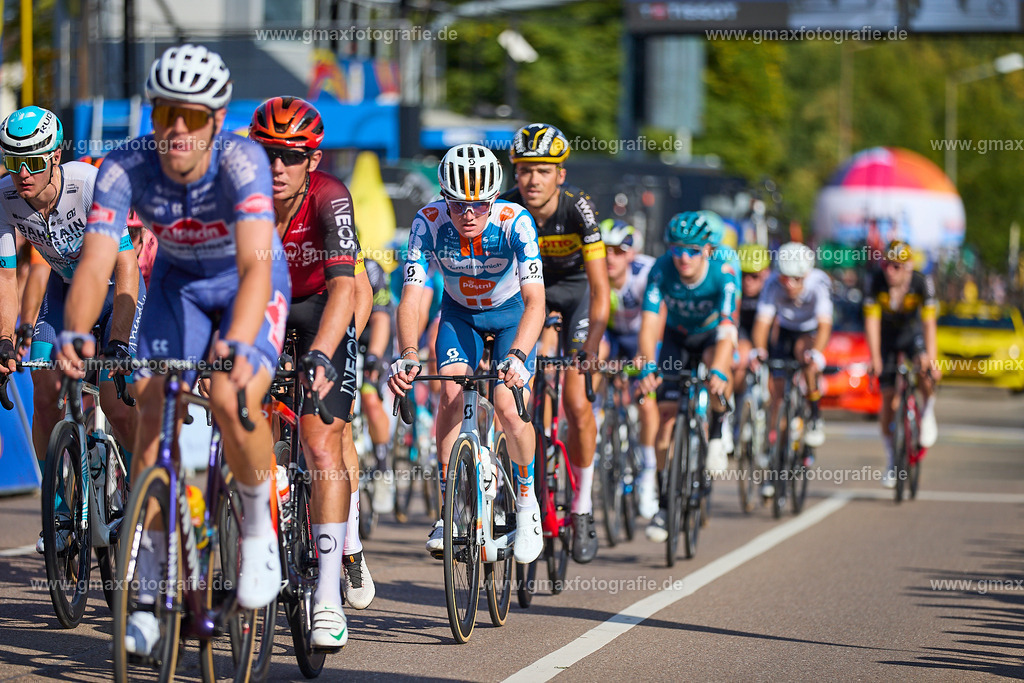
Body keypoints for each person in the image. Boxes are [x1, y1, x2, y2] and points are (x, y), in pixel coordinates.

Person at [56, 44, 289, 656]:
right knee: (153, 414)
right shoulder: (124, 166)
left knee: (235, 396)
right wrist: (77, 331)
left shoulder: (243, 162)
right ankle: (153, 588)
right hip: (178, 287)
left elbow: (255, 266)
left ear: (216, 119)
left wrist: (238, 341)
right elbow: (98, 258)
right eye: (165, 114)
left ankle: (260, 522)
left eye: (191, 116)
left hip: (247, 281)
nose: (177, 130)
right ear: (152, 117)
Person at [248, 96, 376, 644]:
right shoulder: (240, 197)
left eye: (290, 156)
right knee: (245, 418)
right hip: (266, 307)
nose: (277, 167)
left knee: (323, 440)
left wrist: (324, 352)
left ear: (312, 160)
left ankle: (327, 595)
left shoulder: (331, 197)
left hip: (326, 306)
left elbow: (348, 286)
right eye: (266, 153)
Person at [387, 143, 545, 566]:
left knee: (510, 409)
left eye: (478, 205)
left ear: (493, 200)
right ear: (443, 198)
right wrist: (406, 352)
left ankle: (528, 504)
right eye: (458, 205)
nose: (468, 215)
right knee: (451, 393)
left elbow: (535, 302)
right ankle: (451, 511)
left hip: (511, 316)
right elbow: (414, 297)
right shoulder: (428, 222)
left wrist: (517, 354)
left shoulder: (517, 222)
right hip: (460, 315)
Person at [0, 106, 145, 554]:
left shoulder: (88, 184)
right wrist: (5, 340)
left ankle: (145, 495)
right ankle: (59, 507)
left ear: (56, 155)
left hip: (115, 292)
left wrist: (117, 341)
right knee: (43, 386)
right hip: (66, 293)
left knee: (111, 399)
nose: (22, 173)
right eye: (11, 161)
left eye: (33, 162)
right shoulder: (4, 197)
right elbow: (6, 277)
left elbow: (125, 263)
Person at [501, 123, 609, 563]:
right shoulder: (504, 207)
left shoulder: (578, 209)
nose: (532, 180)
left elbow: (601, 290)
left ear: (560, 175)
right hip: (530, 297)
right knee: (522, 390)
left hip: (576, 293)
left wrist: (592, 347)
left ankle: (582, 507)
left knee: (578, 402)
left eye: (543, 171)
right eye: (525, 170)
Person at [636, 212, 738, 542]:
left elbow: (727, 329)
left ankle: (719, 429)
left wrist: (720, 371)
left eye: (692, 250)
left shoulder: (725, 268)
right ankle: (665, 503)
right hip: (677, 336)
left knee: (721, 373)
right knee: (665, 419)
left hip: (712, 336)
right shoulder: (662, 268)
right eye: (676, 249)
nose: (683, 257)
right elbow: (650, 322)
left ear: (707, 250)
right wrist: (648, 365)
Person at [596, 218, 659, 519]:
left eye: (618, 251)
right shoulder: (594, 271)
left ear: (632, 254)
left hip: (643, 336)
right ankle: (594, 414)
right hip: (611, 335)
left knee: (646, 402)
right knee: (594, 357)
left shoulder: (646, 274)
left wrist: (644, 361)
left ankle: (648, 470)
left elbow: (654, 323)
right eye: (605, 249)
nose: (610, 256)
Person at [750, 242, 833, 471]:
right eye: (785, 278)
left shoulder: (819, 283)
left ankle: (815, 416)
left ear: (806, 274)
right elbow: (762, 324)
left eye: (796, 279)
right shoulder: (772, 284)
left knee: (805, 356)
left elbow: (825, 325)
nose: (789, 284)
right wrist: (759, 350)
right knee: (777, 394)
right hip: (785, 329)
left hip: (809, 330)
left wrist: (817, 353)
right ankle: (774, 447)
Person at [863, 240, 939, 488]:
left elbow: (929, 324)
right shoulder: (875, 282)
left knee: (925, 371)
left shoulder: (921, 282)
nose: (889, 271)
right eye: (886, 264)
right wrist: (874, 357)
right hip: (886, 338)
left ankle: (927, 413)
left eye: (896, 266)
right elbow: (872, 322)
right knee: (887, 398)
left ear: (907, 267)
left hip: (911, 334)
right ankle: (891, 459)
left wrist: (932, 357)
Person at [733, 243, 771, 394]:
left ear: (766, 273)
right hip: (743, 332)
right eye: (743, 275)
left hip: (768, 336)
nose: (748, 281)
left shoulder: (773, 288)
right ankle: (737, 403)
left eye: (754, 276)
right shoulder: (732, 287)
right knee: (740, 360)